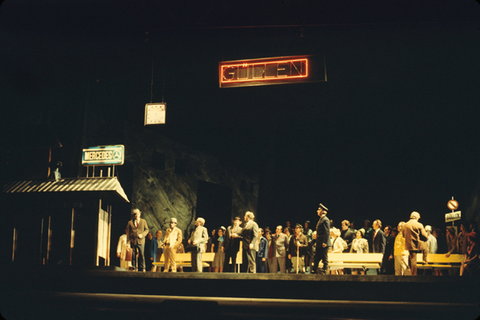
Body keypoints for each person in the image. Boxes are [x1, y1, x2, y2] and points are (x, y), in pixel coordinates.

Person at [402, 211, 428, 276]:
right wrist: (425, 238)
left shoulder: (405, 225)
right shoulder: (419, 224)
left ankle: (413, 273)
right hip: (417, 244)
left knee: (412, 259)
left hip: (409, 244)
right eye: (418, 218)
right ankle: (424, 260)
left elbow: (403, 235)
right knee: (425, 246)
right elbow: (424, 236)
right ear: (416, 217)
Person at [312, 203, 331, 275]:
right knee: (317, 256)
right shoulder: (321, 219)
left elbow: (327, 231)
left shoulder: (325, 219)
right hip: (319, 241)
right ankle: (314, 270)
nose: (317, 211)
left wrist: (325, 242)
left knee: (324, 257)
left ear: (322, 211)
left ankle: (324, 270)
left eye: (318, 210)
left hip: (323, 241)